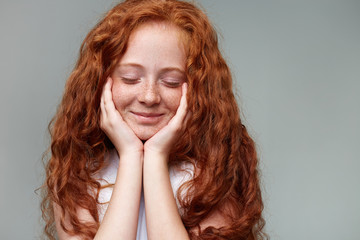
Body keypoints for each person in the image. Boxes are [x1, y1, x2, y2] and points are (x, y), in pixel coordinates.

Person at [41, 0, 266, 239]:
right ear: (101, 81)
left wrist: (156, 157)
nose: (149, 97)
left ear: (200, 88)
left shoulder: (218, 167)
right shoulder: (77, 169)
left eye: (171, 82)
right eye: (130, 78)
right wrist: (130, 155)